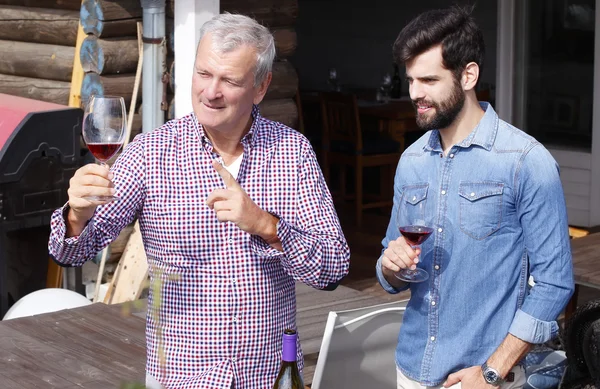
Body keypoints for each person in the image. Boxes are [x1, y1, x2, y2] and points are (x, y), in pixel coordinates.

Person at [48, 13, 350, 389]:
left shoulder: (292, 152)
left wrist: (265, 225)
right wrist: (77, 212)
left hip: (268, 375)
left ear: (260, 86)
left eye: (229, 80)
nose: (210, 92)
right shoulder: (151, 153)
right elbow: (71, 251)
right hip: (182, 377)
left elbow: (333, 268)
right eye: (203, 74)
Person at [376, 6, 574, 389]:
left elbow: (555, 283)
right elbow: (391, 270)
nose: (415, 93)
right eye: (411, 79)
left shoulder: (526, 162)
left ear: (468, 75)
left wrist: (492, 371)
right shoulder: (411, 161)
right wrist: (390, 263)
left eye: (429, 80)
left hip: (485, 378)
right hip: (411, 368)